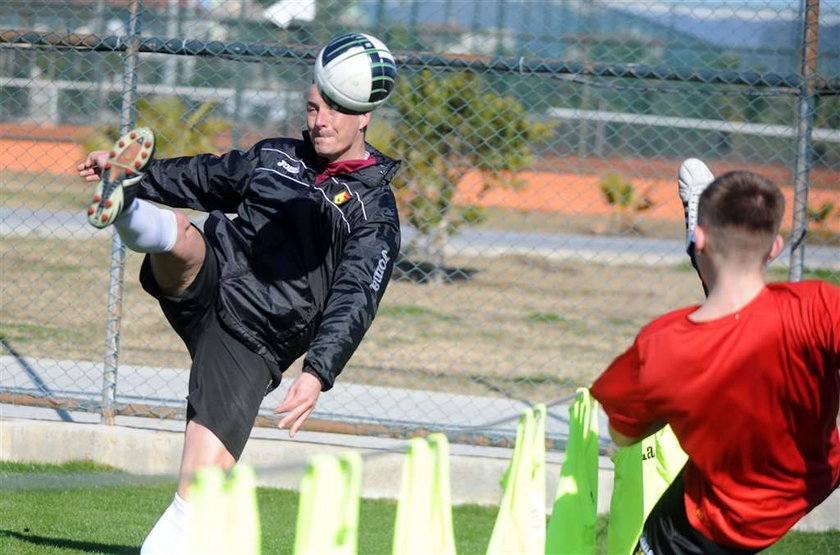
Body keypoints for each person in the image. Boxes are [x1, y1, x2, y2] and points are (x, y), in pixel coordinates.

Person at [77, 60, 401, 553]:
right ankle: (126, 203)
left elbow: (357, 294)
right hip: (213, 278)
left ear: (364, 117)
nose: (320, 121)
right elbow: (203, 178)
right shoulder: (275, 156)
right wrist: (135, 172)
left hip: (253, 340)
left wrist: (317, 370)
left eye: (335, 111)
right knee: (182, 236)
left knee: (198, 488)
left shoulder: (372, 209)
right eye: (314, 108)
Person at [590, 165, 839, 554]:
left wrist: (678, 402)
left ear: (699, 238)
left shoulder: (661, 346)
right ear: (774, 248)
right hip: (814, 477)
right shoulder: (821, 306)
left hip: (709, 526)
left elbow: (623, 435)